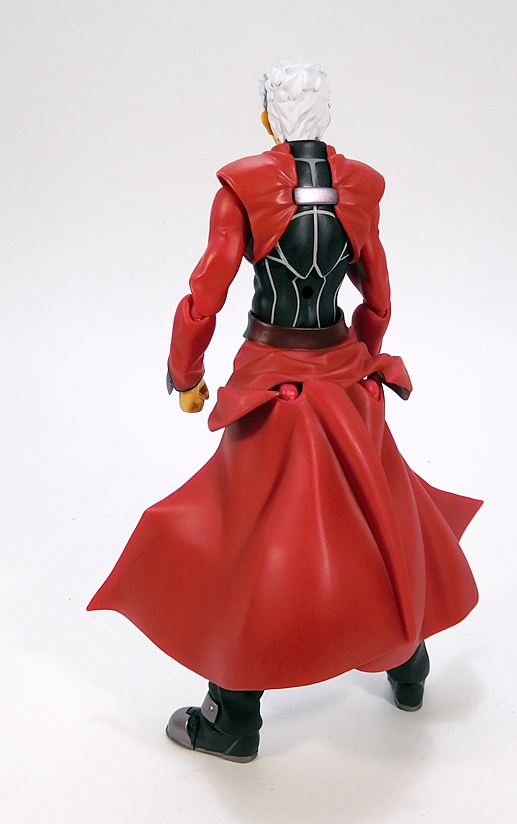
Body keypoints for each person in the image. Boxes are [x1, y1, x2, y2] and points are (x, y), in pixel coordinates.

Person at [88, 59, 481, 763]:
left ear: (268, 118)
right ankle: (409, 665)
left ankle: (232, 717)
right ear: (327, 116)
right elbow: (378, 294)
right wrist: (359, 363)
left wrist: (186, 374)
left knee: (245, 539)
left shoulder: (241, 189)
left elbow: (206, 292)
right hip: (343, 376)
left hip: (274, 381)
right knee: (380, 516)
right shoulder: (359, 187)